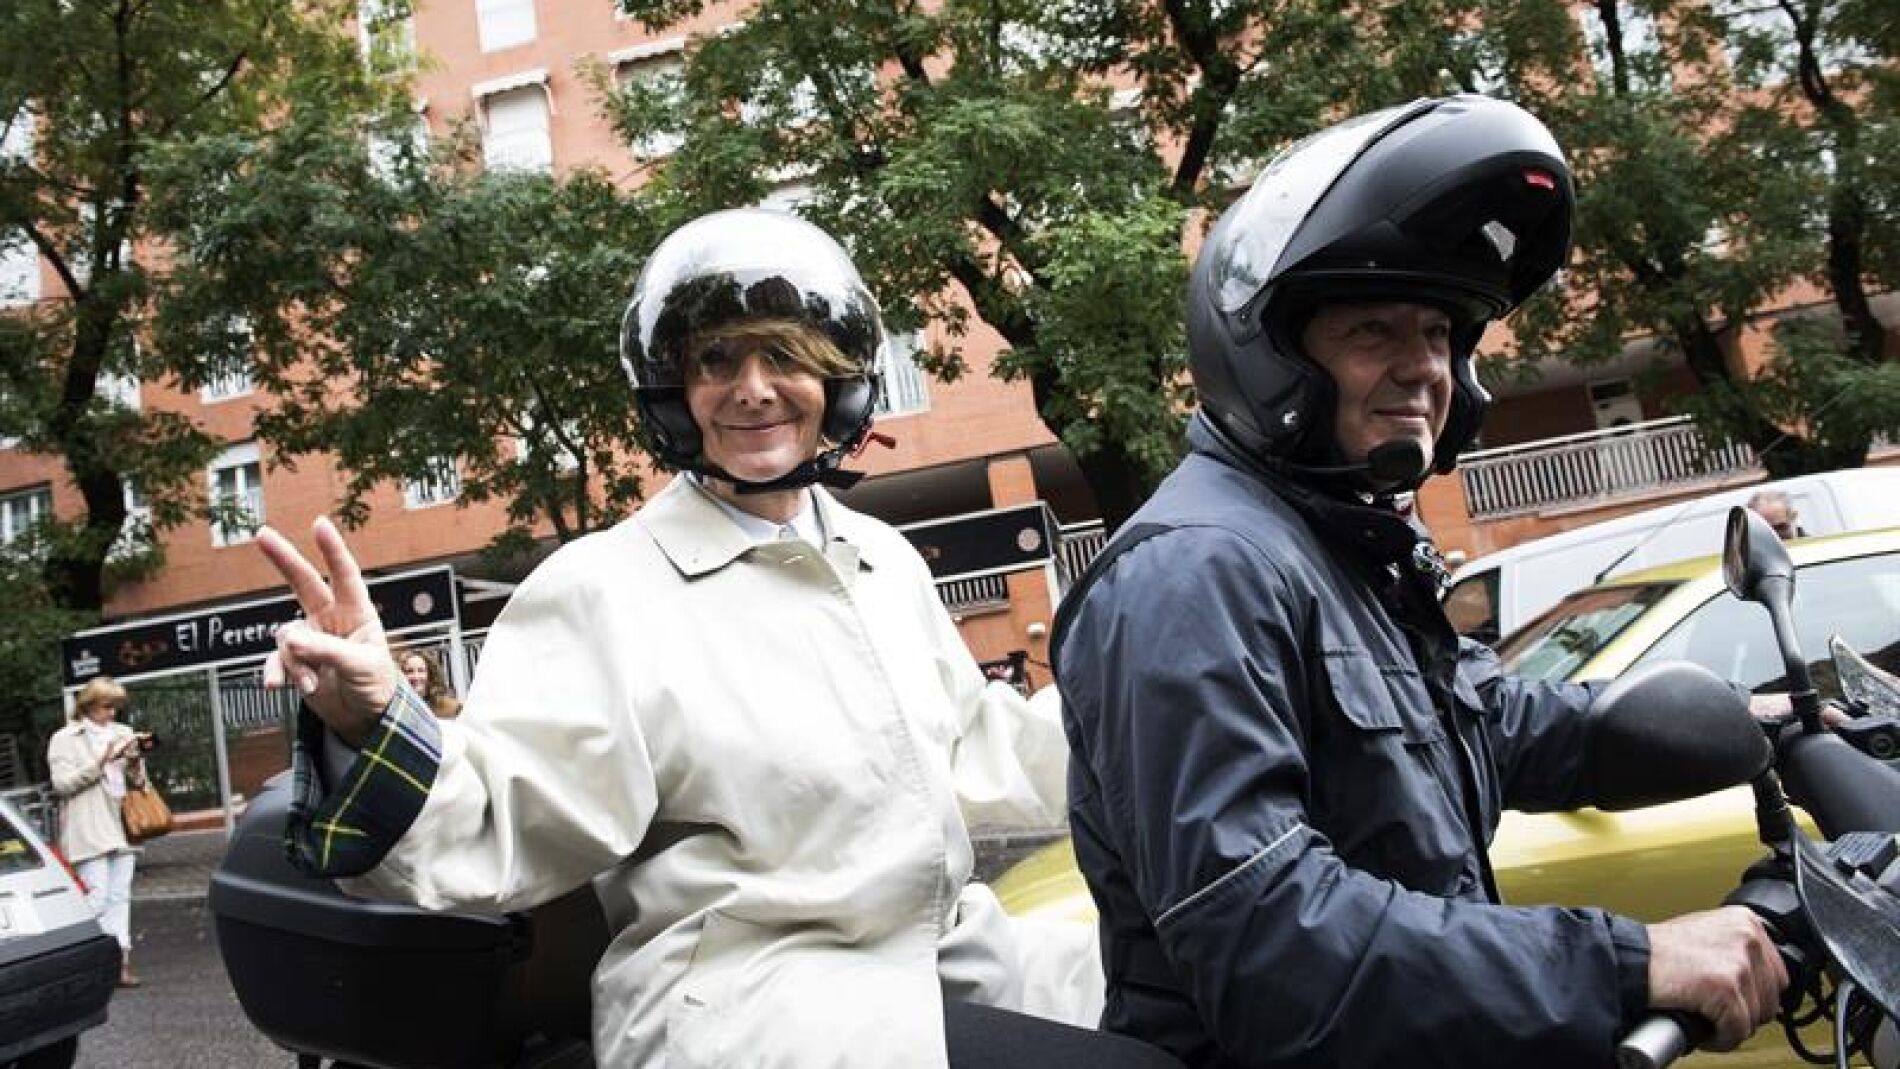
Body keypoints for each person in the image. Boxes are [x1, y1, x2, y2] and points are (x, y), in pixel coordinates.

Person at [254, 209, 1181, 1068]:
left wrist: (1172, 712)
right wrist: (373, 721)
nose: (754, 389)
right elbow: (503, 805)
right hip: (756, 1008)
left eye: (785, 355)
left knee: (1196, 996)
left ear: (836, 378)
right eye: (716, 361)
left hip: (940, 957)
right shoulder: (605, 589)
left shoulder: (879, 559)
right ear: (675, 393)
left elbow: (975, 742)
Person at [1053, 96, 1787, 1069]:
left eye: (1438, 332)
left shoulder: (1345, 552)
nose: (1423, 368)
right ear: (1274, 359)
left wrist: (1759, 719)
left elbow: (1490, 725)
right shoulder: (1195, 571)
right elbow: (1264, 935)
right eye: (1373, 331)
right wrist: (1626, 960)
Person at [47, 676, 149, 988]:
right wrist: (100, 761)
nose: (112, 713)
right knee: (97, 898)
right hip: (88, 826)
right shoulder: (65, 738)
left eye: (116, 707)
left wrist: (135, 761)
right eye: (106, 706)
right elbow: (62, 785)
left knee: (120, 897)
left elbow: (139, 783)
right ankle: (80, 964)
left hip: (120, 824)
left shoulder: (123, 733)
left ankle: (119, 964)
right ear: (88, 706)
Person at [393, 647, 461, 718]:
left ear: (430, 674)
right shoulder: (397, 708)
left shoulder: (451, 707)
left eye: (421, 671)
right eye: (409, 671)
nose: (416, 677)